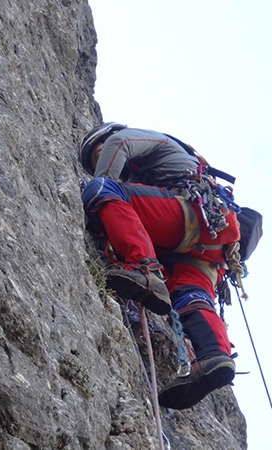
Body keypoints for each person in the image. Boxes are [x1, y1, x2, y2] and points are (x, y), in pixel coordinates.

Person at [78, 122, 239, 410]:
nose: (102, 160)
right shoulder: (155, 175)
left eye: (99, 154)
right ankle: (213, 356)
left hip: (189, 213)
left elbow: (119, 146)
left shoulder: (137, 139)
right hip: (206, 246)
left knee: (104, 189)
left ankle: (144, 269)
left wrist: (99, 184)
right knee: (188, 296)